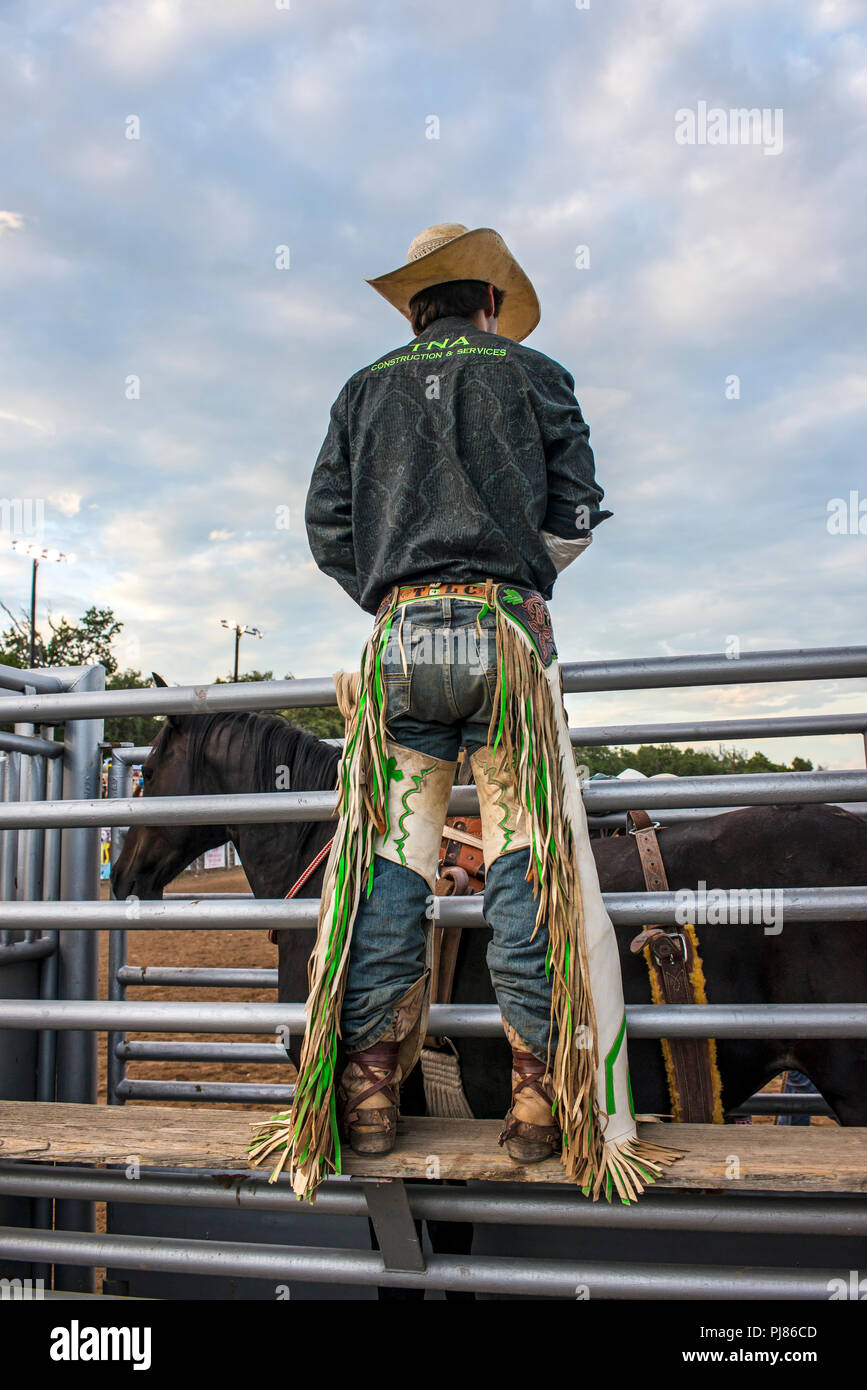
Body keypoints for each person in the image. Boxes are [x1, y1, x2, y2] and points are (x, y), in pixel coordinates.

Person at [249, 223, 680, 1202]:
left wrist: (396, 587)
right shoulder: (536, 374)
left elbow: (329, 530)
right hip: (504, 642)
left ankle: (365, 1092)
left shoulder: (364, 390)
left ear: (414, 307)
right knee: (525, 862)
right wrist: (510, 570)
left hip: (403, 645)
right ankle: (536, 1095)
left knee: (393, 868)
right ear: (489, 300)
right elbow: (575, 514)